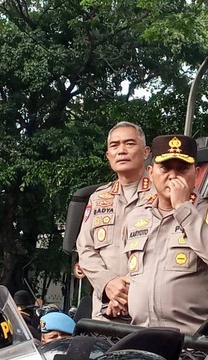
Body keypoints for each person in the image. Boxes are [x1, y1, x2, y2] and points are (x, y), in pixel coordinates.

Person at [108, 135, 208, 336]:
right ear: (151, 172)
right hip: (141, 337)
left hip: (193, 342)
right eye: (165, 168)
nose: (173, 176)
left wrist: (183, 207)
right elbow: (136, 273)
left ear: (196, 172)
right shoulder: (136, 216)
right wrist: (123, 295)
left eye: (182, 169)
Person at [77, 121, 154, 321]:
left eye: (129, 144)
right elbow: (85, 249)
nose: (121, 150)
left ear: (146, 152)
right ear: (108, 156)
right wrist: (108, 284)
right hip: (105, 314)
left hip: (148, 314)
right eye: (114, 146)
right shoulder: (99, 197)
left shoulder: (163, 194)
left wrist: (128, 291)